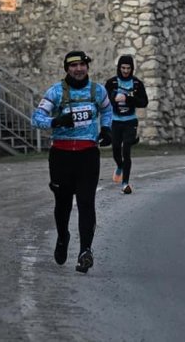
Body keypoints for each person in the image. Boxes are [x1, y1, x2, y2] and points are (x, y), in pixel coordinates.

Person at [31, 50, 113, 273]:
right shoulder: (55, 92)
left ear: (88, 66)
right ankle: (62, 236)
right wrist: (56, 121)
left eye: (82, 65)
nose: (78, 69)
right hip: (62, 155)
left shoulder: (97, 91)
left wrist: (106, 129)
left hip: (87, 154)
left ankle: (85, 251)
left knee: (86, 202)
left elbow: (107, 110)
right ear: (67, 69)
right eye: (73, 66)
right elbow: (36, 119)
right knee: (63, 204)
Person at [105, 55, 149, 194]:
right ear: (119, 68)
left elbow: (144, 102)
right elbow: (104, 102)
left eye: (128, 68)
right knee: (116, 149)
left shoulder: (136, 83)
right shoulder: (111, 82)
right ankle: (119, 166)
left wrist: (128, 98)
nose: (125, 71)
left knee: (126, 150)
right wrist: (114, 98)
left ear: (132, 68)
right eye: (123, 68)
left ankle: (125, 184)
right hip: (115, 121)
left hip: (130, 121)